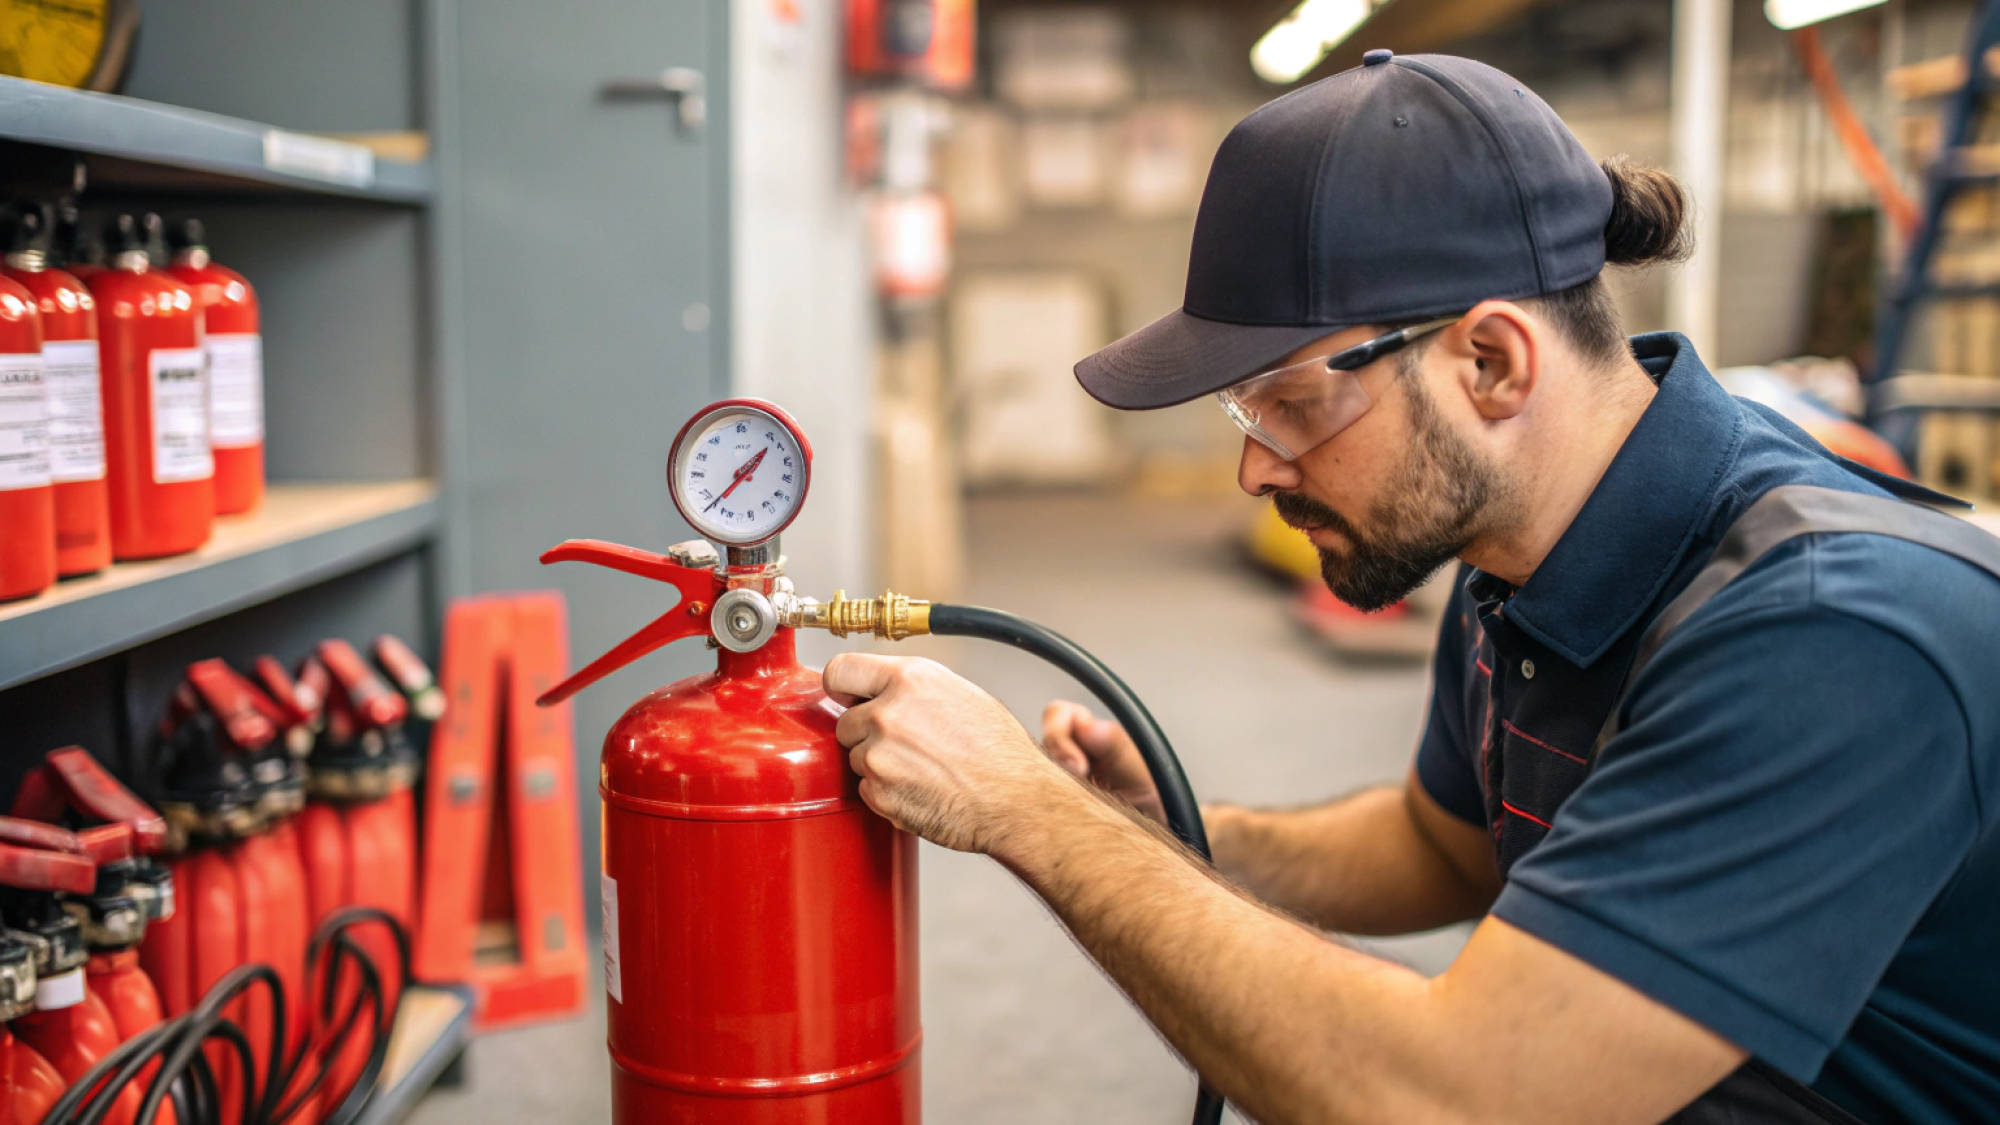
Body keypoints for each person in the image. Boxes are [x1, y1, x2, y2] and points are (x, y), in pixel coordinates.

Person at [822, 51, 2000, 1125]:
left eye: (1290, 403)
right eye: (1243, 415)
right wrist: (1171, 827)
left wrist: (1032, 812)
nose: (1252, 469)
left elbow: (1458, 1099)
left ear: (1488, 363)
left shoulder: (1830, 631)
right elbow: (1445, 849)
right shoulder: (1514, 555)